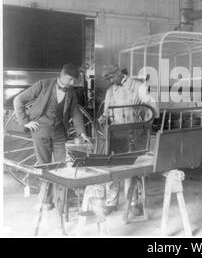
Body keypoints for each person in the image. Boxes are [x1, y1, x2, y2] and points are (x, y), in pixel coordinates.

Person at [13, 64, 91, 210]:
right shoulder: (43, 84)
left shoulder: (71, 92)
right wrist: (25, 122)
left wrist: (82, 133)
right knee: (45, 166)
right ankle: (45, 201)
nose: (73, 83)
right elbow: (18, 100)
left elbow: (75, 112)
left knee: (62, 166)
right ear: (63, 76)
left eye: (75, 80)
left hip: (60, 133)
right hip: (40, 130)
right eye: (71, 80)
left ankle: (62, 201)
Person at [90, 64, 157, 216]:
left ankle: (133, 202)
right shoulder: (110, 91)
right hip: (116, 135)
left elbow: (152, 109)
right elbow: (107, 112)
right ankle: (111, 202)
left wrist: (144, 126)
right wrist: (104, 117)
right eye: (107, 79)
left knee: (132, 169)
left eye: (112, 77)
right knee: (113, 167)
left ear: (119, 72)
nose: (111, 81)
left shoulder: (139, 87)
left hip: (135, 134)